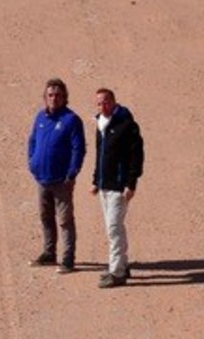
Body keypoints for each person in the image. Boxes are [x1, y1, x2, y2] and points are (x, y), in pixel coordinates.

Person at [27, 78, 86, 274]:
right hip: (42, 178)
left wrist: (72, 173)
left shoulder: (71, 120)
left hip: (62, 180)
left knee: (65, 220)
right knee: (46, 216)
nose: (54, 98)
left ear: (65, 97)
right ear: (45, 97)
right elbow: (32, 141)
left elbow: (78, 148)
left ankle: (68, 259)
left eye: (58, 95)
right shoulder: (40, 118)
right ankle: (49, 252)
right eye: (50, 95)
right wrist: (32, 162)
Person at [90, 88, 144, 289]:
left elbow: (136, 156)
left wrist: (131, 183)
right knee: (113, 228)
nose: (102, 106)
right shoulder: (100, 124)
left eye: (106, 102)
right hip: (105, 185)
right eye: (99, 103)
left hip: (119, 187)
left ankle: (117, 273)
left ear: (113, 102)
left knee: (114, 228)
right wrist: (96, 180)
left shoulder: (126, 125)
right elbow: (100, 155)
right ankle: (121, 264)